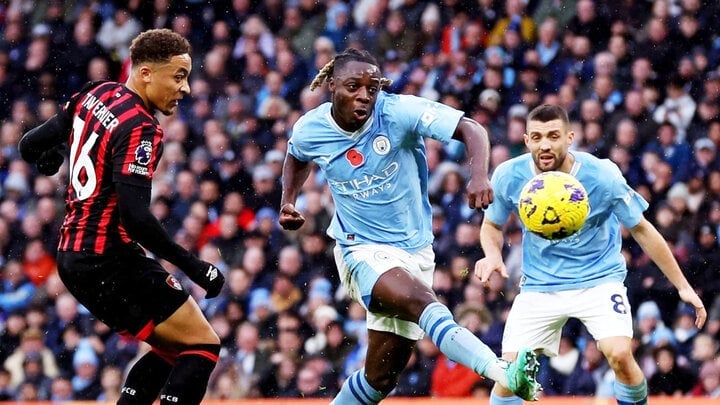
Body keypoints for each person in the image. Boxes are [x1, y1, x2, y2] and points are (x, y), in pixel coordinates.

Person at [278, 47, 541, 404]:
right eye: (353, 86)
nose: (364, 96)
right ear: (332, 86)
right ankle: (503, 372)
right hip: (360, 250)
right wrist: (288, 200)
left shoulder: (399, 111)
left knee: (379, 380)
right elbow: (296, 156)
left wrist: (479, 175)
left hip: (416, 251)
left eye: (372, 88)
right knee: (422, 300)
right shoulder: (312, 128)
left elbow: (471, 129)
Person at [18, 29, 224, 405]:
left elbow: (29, 144)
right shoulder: (142, 127)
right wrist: (195, 267)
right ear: (146, 73)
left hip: (73, 257)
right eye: (178, 76)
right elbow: (136, 218)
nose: (187, 88)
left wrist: (48, 160)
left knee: (173, 348)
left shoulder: (93, 92)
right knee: (202, 345)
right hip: (108, 259)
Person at [475, 104, 706, 405]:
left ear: (570, 138)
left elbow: (642, 229)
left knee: (620, 354)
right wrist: (492, 254)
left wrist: (683, 287)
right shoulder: (509, 175)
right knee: (511, 378)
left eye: (554, 136)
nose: (545, 144)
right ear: (527, 139)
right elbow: (491, 225)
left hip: (599, 280)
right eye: (538, 137)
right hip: (539, 286)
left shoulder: (602, 175)